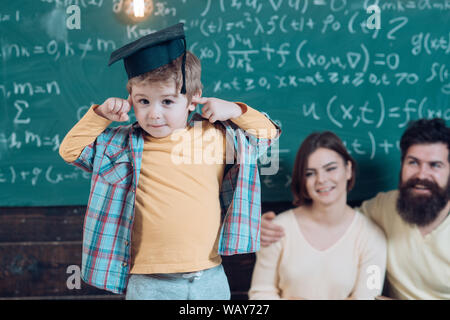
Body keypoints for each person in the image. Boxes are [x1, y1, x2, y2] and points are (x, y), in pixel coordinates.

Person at [59, 23, 279, 299]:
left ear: (192, 100)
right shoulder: (122, 145)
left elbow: (266, 135)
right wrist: (100, 115)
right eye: (143, 101)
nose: (154, 114)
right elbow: (71, 150)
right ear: (131, 100)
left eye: (167, 102)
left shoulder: (212, 136)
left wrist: (235, 110)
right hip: (148, 282)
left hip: (209, 277)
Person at [260, 118, 450, 300]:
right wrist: (259, 229)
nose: (422, 174)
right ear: (402, 165)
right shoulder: (383, 207)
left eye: (435, 165)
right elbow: (339, 220)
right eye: (413, 162)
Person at [248, 131, 387, 300]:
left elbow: (367, 297)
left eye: (331, 169)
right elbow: (261, 292)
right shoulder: (277, 229)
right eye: (310, 173)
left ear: (348, 170)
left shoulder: (372, 237)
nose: (321, 179)